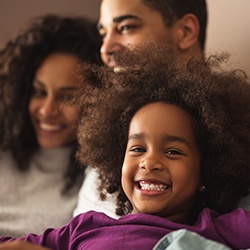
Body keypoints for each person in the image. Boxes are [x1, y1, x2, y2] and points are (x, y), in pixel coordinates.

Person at [0, 45, 249, 249]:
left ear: (205, 172)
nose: (149, 162)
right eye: (138, 149)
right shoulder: (85, 227)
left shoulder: (215, 228)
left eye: (172, 151)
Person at [74, 0, 208, 218]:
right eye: (104, 33)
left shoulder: (234, 143)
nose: (105, 50)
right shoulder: (107, 138)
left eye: (126, 27)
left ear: (185, 32)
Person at [0, 14, 101, 237]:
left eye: (67, 97)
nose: (47, 110)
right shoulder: (4, 149)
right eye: (39, 92)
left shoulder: (98, 180)